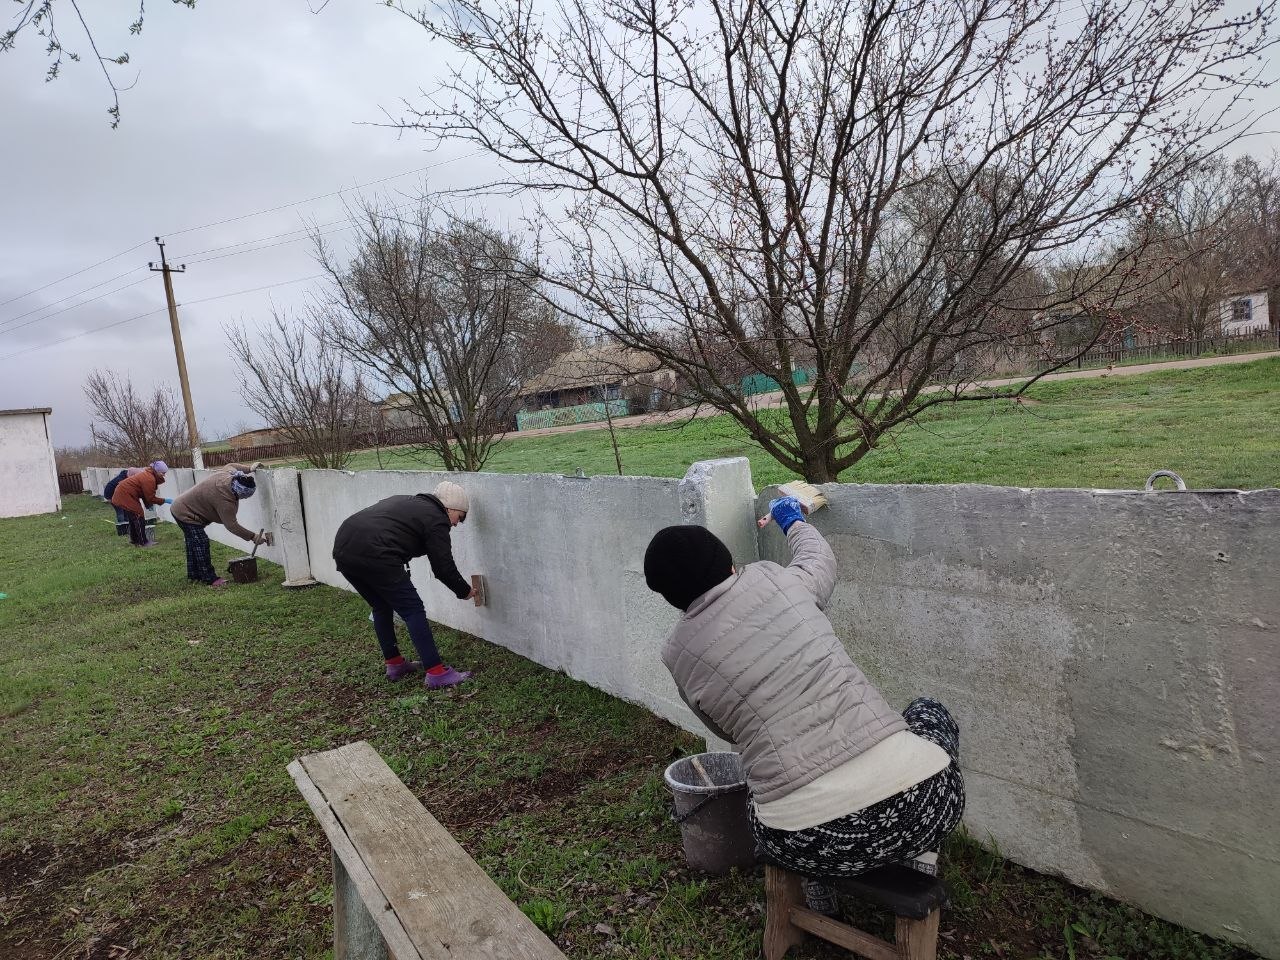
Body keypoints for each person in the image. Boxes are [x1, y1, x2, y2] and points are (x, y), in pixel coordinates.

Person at [643, 497, 965, 910]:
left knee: (765, 798)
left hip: (802, 840)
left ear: (671, 596)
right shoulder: (773, 580)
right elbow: (818, 559)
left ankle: (819, 885)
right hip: (924, 806)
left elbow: (723, 727)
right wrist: (791, 518)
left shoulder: (676, 654)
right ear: (727, 563)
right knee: (928, 712)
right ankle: (919, 857)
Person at [332, 480, 475, 689]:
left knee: (381, 606)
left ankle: (395, 664)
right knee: (412, 609)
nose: (456, 524)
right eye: (459, 518)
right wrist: (465, 591)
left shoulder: (405, 501)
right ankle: (436, 673)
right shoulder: (437, 518)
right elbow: (443, 567)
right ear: (451, 508)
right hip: (377, 553)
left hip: (344, 550)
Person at [169, 462, 271, 587]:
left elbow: (231, 465)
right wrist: (253, 537)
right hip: (186, 514)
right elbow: (232, 526)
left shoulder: (227, 475)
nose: (243, 499)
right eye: (244, 497)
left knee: (193, 543)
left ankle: (194, 574)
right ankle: (210, 579)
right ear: (239, 493)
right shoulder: (225, 502)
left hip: (179, 506)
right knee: (201, 543)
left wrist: (249, 469)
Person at [110, 461, 169, 546]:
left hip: (124, 493)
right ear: (157, 471)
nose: (164, 475)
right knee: (138, 515)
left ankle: (134, 540)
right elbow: (150, 497)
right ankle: (143, 542)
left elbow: (144, 494)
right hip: (125, 494)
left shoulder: (149, 475)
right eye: (163, 473)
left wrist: (148, 505)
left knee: (133, 517)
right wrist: (165, 500)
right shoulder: (149, 478)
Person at [102, 467, 140, 536]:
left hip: (117, 494)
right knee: (120, 511)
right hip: (111, 495)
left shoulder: (127, 477)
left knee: (125, 510)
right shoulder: (121, 481)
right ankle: (122, 530)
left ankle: (128, 528)